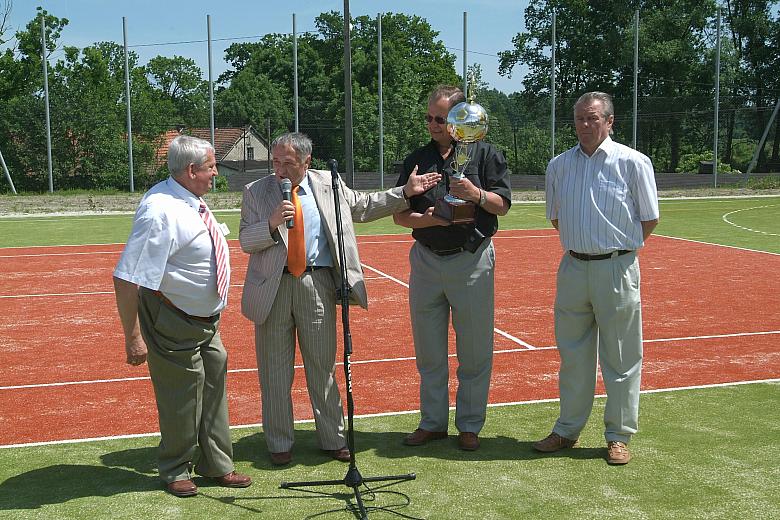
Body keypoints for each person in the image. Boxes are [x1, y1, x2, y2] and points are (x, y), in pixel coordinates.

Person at [239, 132, 441, 466]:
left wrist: (405, 192)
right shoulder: (255, 191)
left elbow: (363, 206)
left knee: (323, 368)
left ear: (307, 161)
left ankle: (333, 438)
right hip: (272, 288)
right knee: (274, 373)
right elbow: (246, 240)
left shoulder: (328, 182)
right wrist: (272, 223)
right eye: (275, 161)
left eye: (287, 162)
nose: (279, 169)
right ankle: (279, 442)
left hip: (316, 283)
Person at [113, 135, 252, 496]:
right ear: (191, 170)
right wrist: (133, 337)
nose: (216, 173)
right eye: (211, 166)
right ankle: (175, 468)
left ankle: (217, 464)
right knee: (182, 396)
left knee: (213, 386)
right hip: (173, 317)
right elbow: (126, 278)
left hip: (205, 321)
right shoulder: (160, 211)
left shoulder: (189, 199)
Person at [535, 91, 659, 465]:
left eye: (593, 118)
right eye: (580, 119)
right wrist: (585, 244)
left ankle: (618, 436)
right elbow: (556, 216)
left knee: (621, 357)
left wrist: (616, 250)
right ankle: (567, 430)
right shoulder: (558, 166)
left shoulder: (633, 162)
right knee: (573, 356)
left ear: (609, 121)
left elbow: (649, 218)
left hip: (617, 268)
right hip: (573, 267)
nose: (585, 125)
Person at [394, 85, 512, 451]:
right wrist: (430, 220)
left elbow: (502, 205)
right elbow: (400, 215)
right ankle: (432, 422)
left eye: (440, 119)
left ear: (460, 118)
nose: (433, 124)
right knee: (429, 351)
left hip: (471, 259)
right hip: (426, 260)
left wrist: (475, 194)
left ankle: (470, 425)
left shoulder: (486, 154)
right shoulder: (417, 159)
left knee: (474, 351)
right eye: (429, 118)